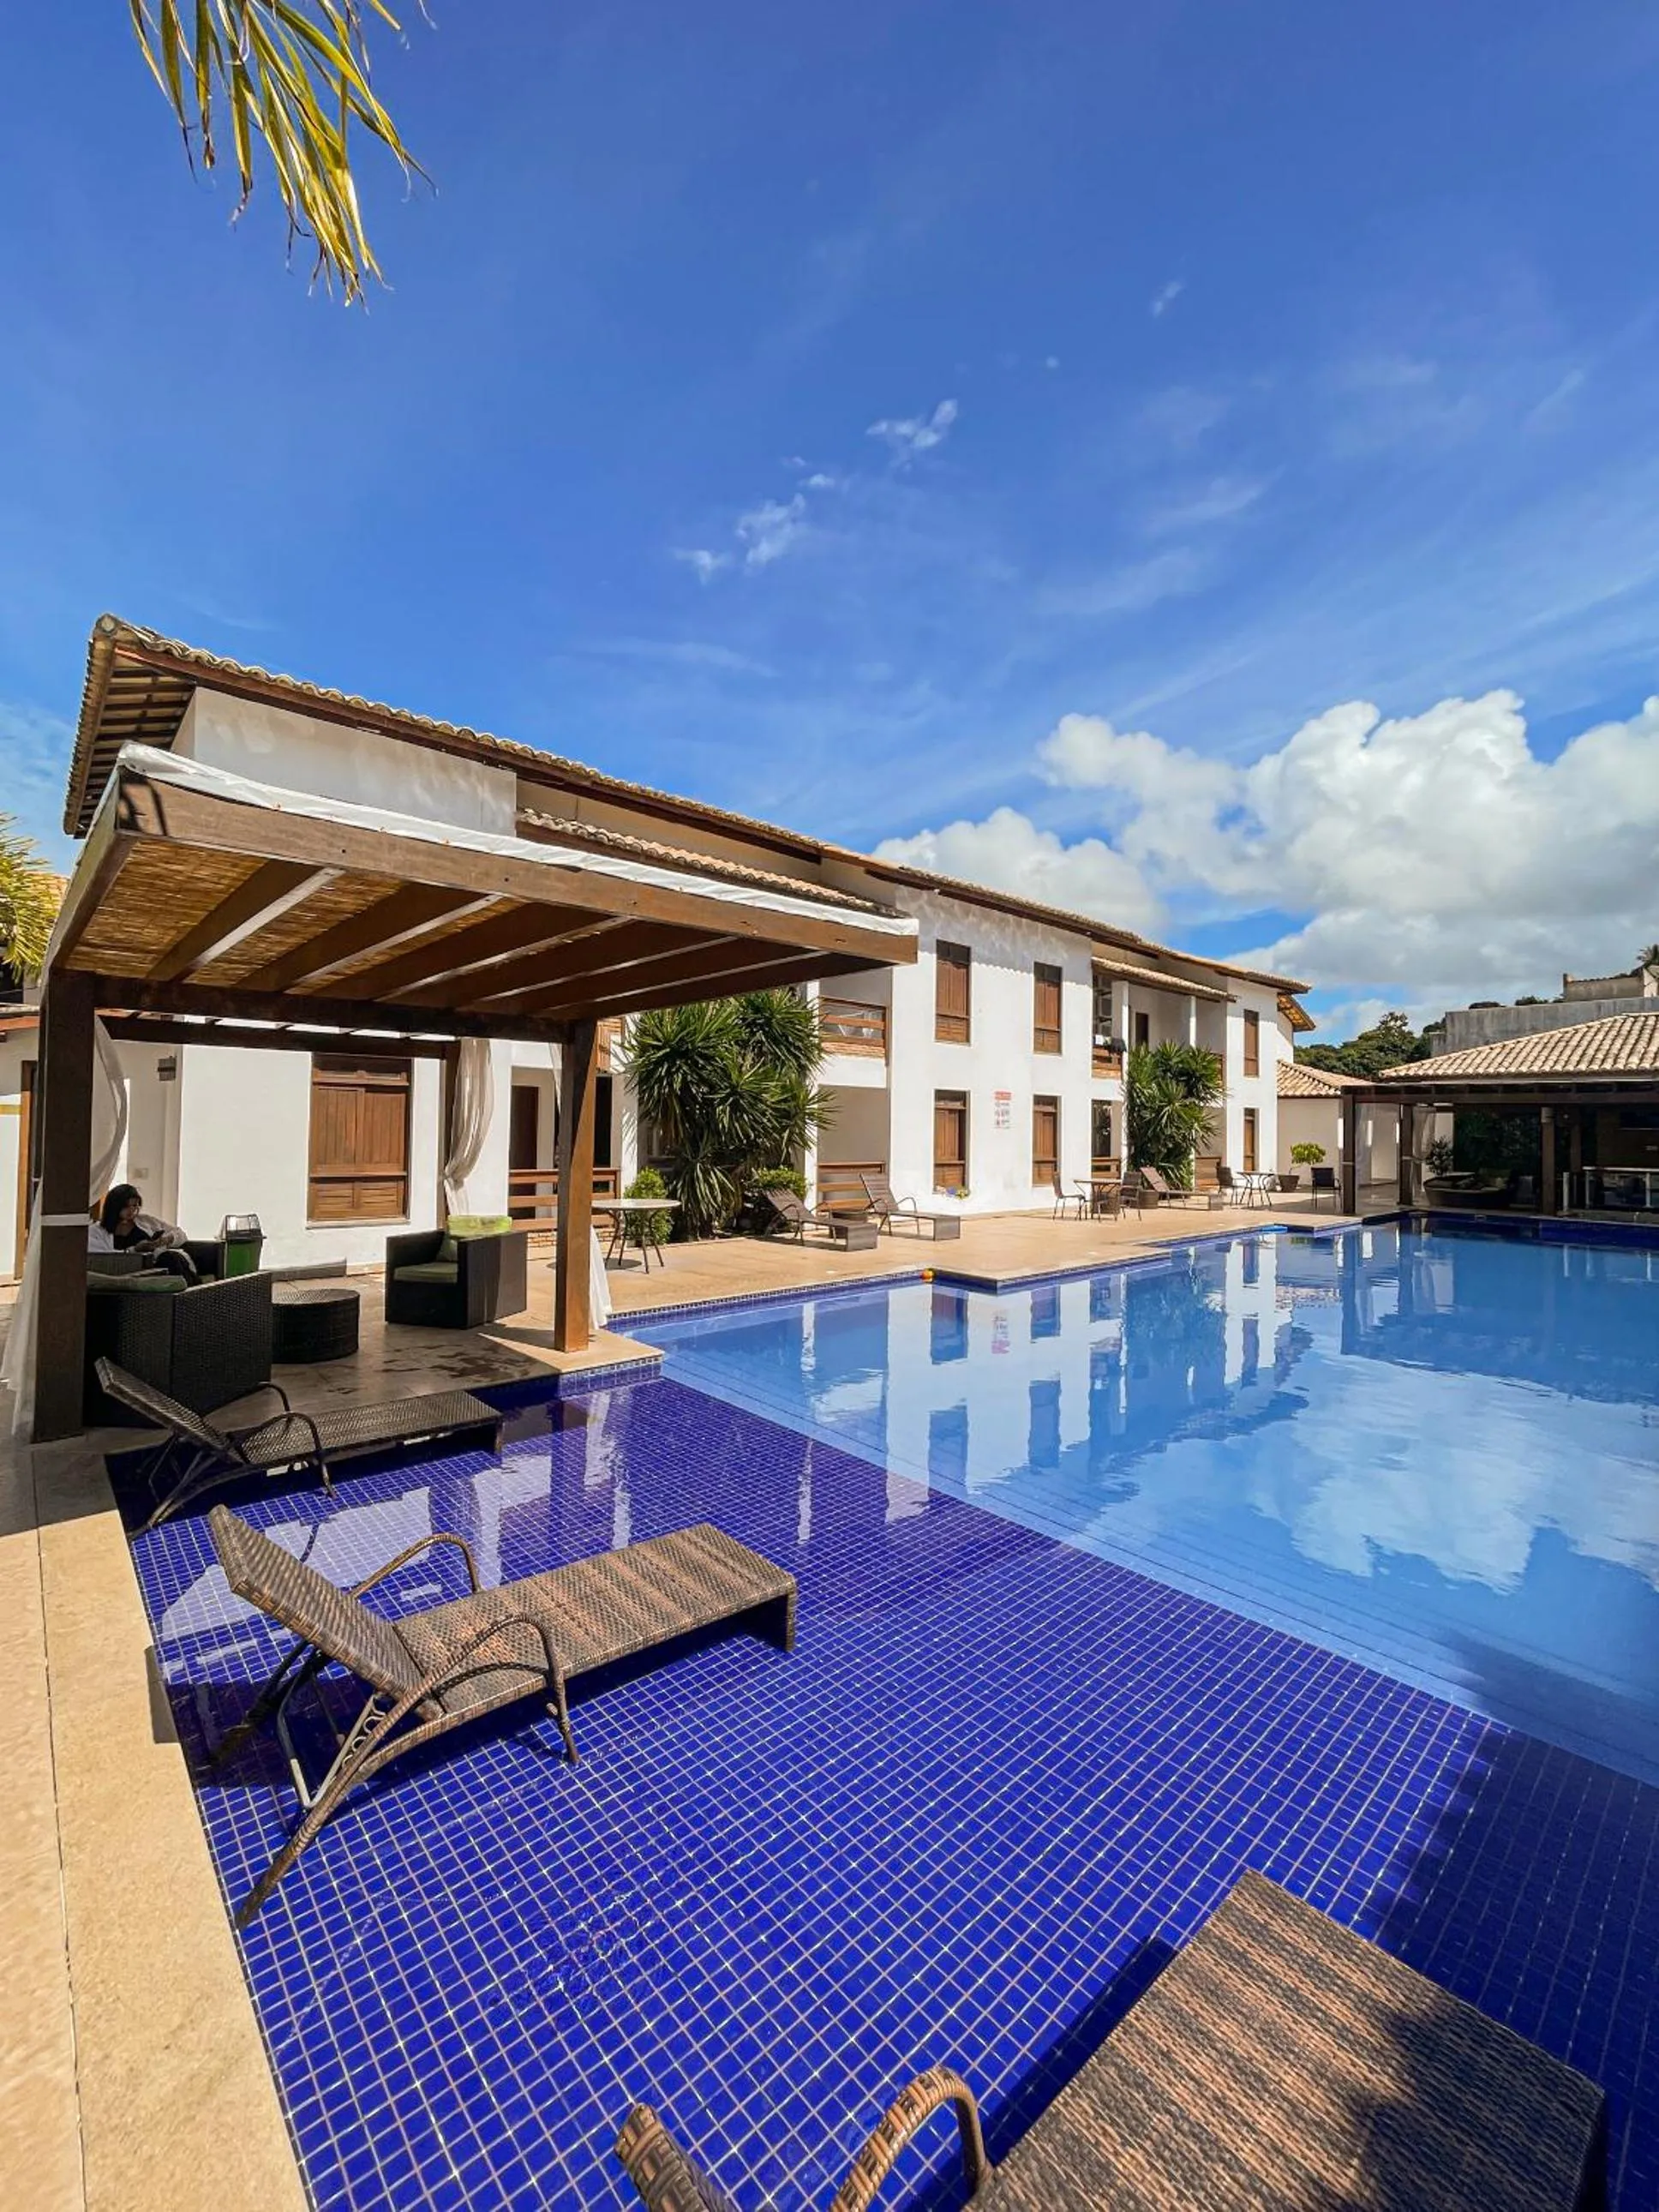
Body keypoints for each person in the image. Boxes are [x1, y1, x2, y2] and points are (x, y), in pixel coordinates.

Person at [88, 1186, 198, 1279]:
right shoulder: (97, 1231)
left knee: (171, 1258)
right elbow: (104, 1258)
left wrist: (167, 1239)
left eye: (135, 1206)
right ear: (115, 1206)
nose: (132, 1211)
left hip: (156, 1264)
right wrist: (135, 1250)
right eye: (127, 1206)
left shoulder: (145, 1221)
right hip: (130, 1271)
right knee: (169, 1260)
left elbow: (180, 1233)